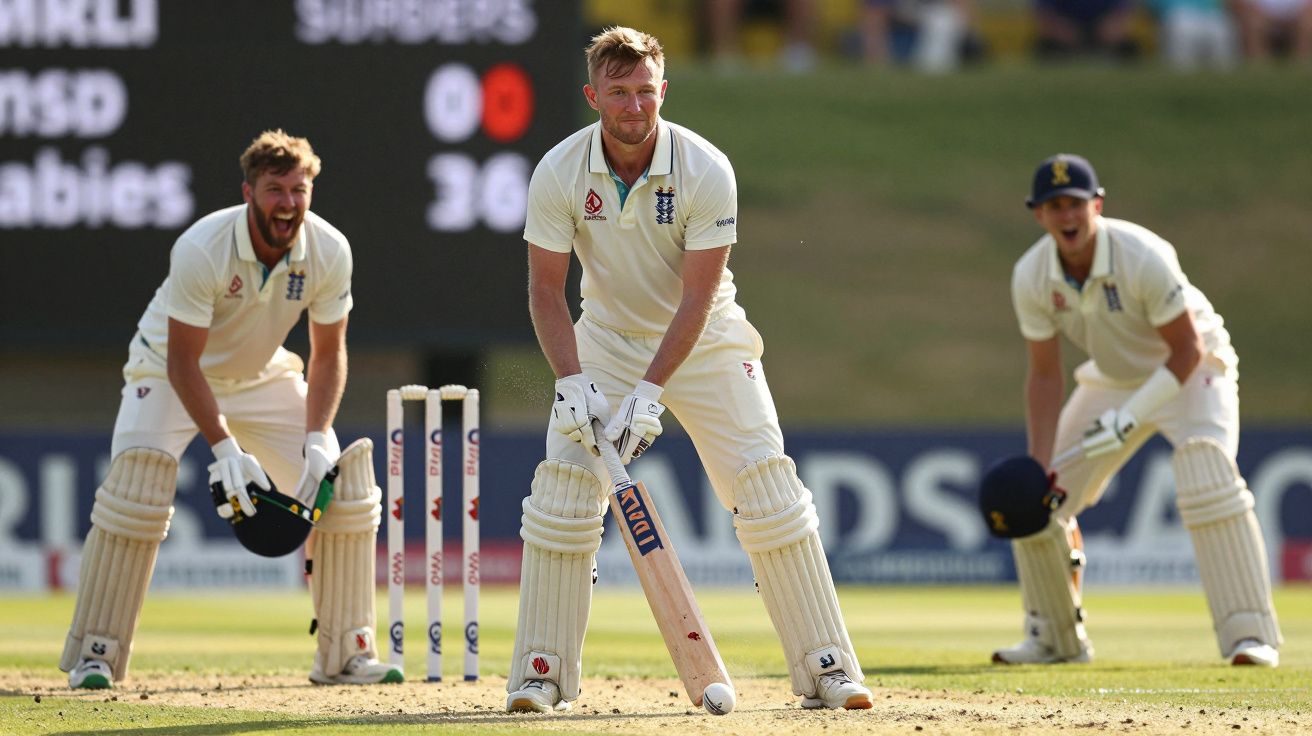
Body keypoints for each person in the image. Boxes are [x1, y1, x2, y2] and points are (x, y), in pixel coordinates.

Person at [505, 26, 873, 713]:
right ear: (593, 96)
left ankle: (827, 666)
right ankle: (541, 673)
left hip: (708, 341)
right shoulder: (559, 170)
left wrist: (651, 391)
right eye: (619, 92)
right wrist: (572, 379)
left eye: (645, 90)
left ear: (664, 91)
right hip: (606, 341)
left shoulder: (705, 168)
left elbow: (699, 298)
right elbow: (546, 292)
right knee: (563, 491)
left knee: (767, 486)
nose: (634, 105)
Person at [59, 130, 400, 689]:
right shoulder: (203, 246)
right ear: (248, 193)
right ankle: (95, 652)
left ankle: (346, 652)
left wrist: (317, 436)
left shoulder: (329, 249)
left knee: (341, 488)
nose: (287, 203)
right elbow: (183, 363)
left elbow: (328, 353)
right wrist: (224, 448)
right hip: (166, 370)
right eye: (274, 190)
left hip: (261, 373)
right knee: (136, 489)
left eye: (298, 190)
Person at [998, 153, 1283, 667]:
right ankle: (1054, 638)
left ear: (1097, 205)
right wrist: (1040, 466)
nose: (1067, 216)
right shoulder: (1031, 275)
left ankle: (1251, 636)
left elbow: (1186, 349)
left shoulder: (1142, 254)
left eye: (1075, 204)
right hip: (1112, 380)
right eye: (1055, 206)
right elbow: (1044, 375)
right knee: (1042, 499)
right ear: (1038, 214)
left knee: (1209, 477)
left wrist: (1130, 417)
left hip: (1195, 372)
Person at [1033, 0, 1142, 60]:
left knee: (1129, 49)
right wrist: (1061, 31)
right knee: (1044, 49)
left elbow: (1123, 11)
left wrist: (1113, 28)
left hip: (1105, 35)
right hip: (1064, 37)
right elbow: (1045, 13)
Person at [1229, 0, 1312, 61]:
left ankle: (1301, 64)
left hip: (1299, 15)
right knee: (1253, 24)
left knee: (1307, 23)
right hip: (1259, 14)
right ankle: (1258, 66)